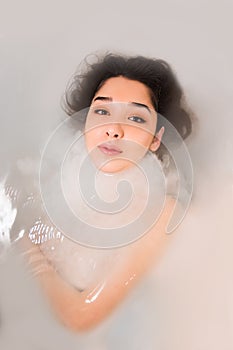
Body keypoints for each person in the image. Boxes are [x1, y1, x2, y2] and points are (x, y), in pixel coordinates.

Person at [23, 53, 193, 331]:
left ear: (156, 139)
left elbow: (80, 317)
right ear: (85, 121)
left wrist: (25, 249)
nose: (114, 130)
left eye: (136, 118)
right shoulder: (55, 176)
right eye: (102, 112)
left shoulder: (163, 212)